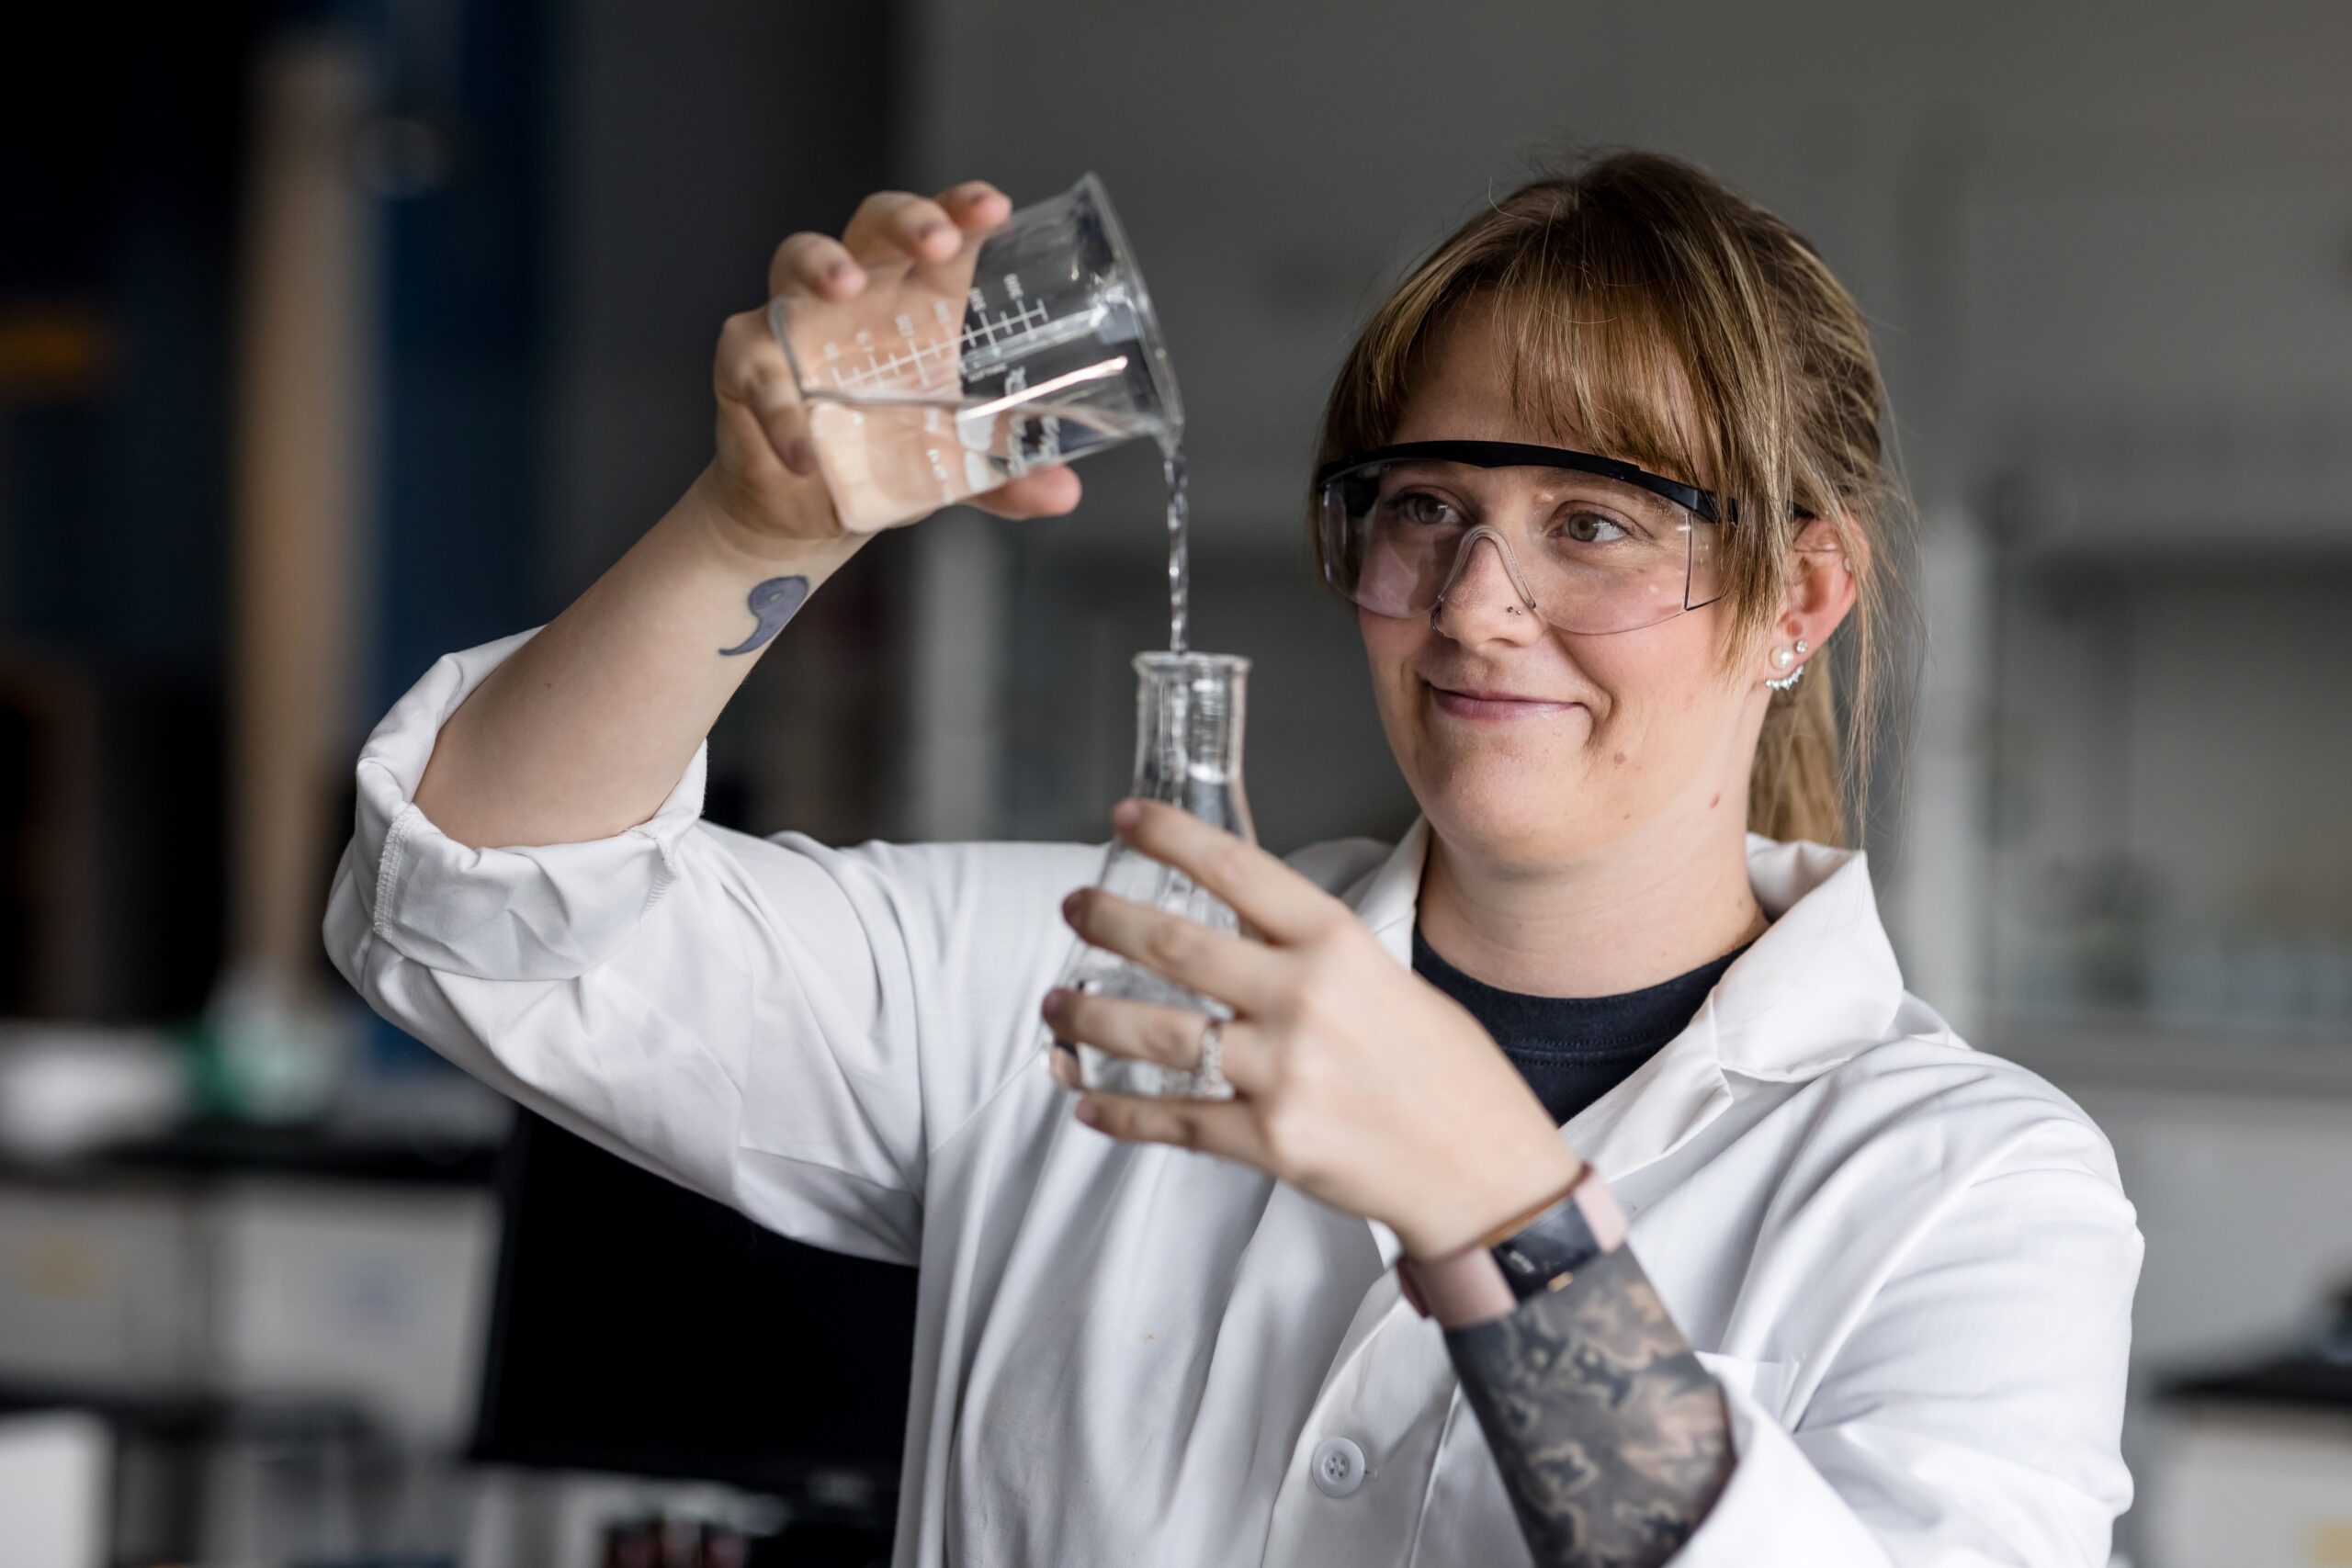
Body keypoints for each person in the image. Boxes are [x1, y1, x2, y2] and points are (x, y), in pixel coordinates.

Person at [324, 152, 2140, 1567]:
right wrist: (753, 521)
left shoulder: (1961, 1182)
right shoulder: (1086, 977)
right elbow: (483, 907)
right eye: (1422, 508)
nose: (1474, 605)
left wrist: (1504, 1216)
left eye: (1589, 522)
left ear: (1797, 598)